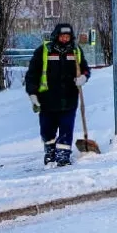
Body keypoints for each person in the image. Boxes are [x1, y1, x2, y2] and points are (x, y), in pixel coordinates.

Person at [25, 23, 90, 166]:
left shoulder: (76, 51)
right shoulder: (43, 51)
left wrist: (83, 77)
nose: (65, 39)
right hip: (47, 100)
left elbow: (85, 69)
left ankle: (63, 155)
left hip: (69, 99)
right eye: (62, 36)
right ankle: (50, 151)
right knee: (47, 130)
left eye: (67, 37)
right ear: (56, 36)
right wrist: (32, 95)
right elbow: (31, 75)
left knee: (66, 128)